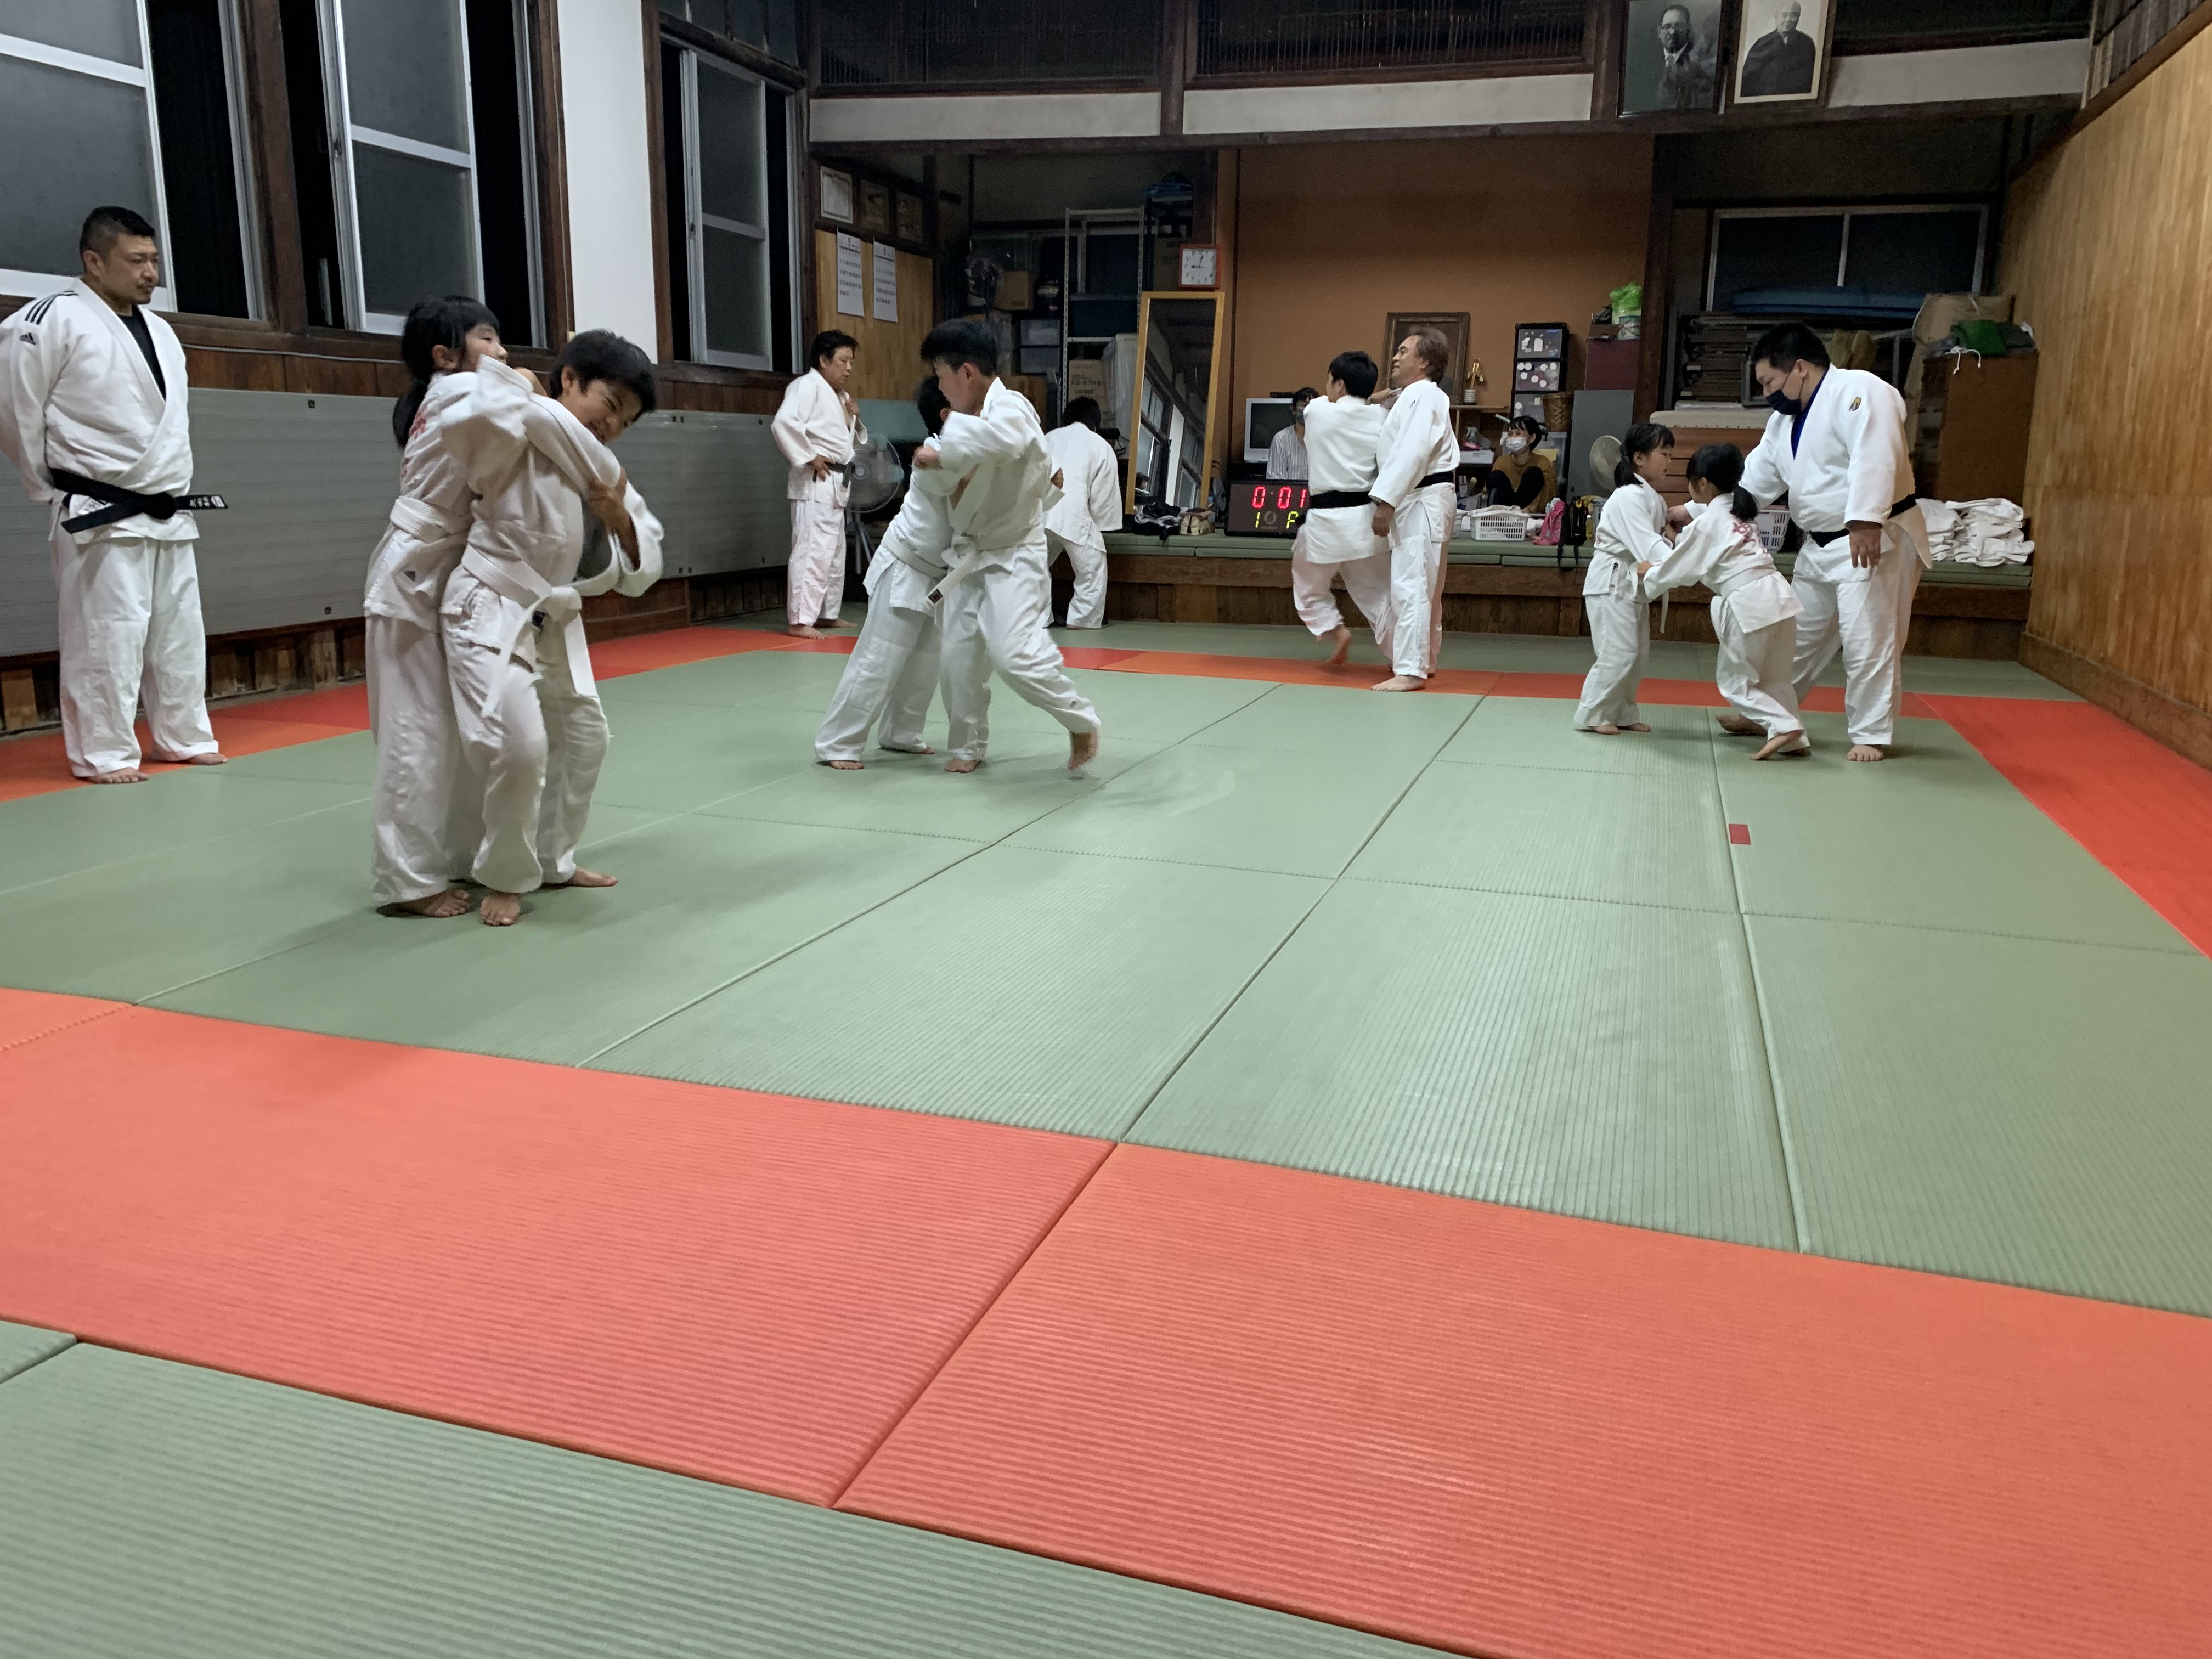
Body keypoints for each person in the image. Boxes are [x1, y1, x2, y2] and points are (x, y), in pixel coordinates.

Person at [439, 330, 663, 926]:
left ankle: (551, 859)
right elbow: (472, 416)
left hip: (553, 615)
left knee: (586, 737)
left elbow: (645, 568)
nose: (612, 426)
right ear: (569, 379)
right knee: (518, 746)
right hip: (490, 602)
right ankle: (502, 874)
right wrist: (519, 389)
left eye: (626, 421)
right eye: (609, 405)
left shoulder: (603, 472)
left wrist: (619, 520)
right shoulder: (517, 421)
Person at [0, 206, 222, 783]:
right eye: (136, 260)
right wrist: (49, 487)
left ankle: (183, 736)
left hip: (167, 507)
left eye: (155, 261)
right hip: (97, 509)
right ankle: (104, 753)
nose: (151, 273)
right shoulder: (47, 320)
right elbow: (15, 412)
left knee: (179, 636)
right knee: (106, 637)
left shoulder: (163, 332)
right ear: (94, 261)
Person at [365, 295, 505, 917]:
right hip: (412, 577)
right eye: (487, 340)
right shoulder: (456, 391)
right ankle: (409, 882)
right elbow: (528, 404)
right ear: (444, 356)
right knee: (415, 731)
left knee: (457, 727)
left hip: (444, 570)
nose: (502, 352)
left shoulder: (455, 397)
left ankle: (458, 855)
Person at [913, 319, 1101, 774]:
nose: (940, 387)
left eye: (941, 375)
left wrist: (944, 454)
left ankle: (1081, 720)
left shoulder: (1010, 408)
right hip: (969, 554)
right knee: (957, 659)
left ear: (966, 373)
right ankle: (967, 745)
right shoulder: (965, 424)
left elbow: (1009, 443)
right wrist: (936, 462)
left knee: (1013, 655)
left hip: (1014, 555)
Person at [1742, 322, 1927, 762]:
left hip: (1872, 537)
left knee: (1868, 641)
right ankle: (1771, 715)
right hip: (1820, 545)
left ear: (1799, 368)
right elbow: (1756, 481)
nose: (1767, 393)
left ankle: (1871, 734)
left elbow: (1876, 454)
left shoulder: (1859, 391)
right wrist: (1701, 512)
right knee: (1793, 638)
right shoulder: (1783, 422)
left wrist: (1865, 520)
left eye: (1769, 381)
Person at [815, 378, 960, 769]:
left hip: (937, 577)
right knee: (879, 658)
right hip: (905, 568)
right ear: (948, 414)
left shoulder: (959, 452)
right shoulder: (936, 455)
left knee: (925, 663)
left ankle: (901, 733)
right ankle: (837, 742)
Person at [1639, 444, 1808, 759]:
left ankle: (1784, 725)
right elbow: (1700, 550)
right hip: (1780, 599)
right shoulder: (1739, 512)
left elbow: (1681, 567)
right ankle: (1795, 739)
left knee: (1734, 682)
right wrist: (1677, 541)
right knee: (1775, 678)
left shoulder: (1710, 521)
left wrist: (1649, 574)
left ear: (1702, 483)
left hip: (1750, 604)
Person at [1369, 329, 1458, 692]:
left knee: (1413, 584)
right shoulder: (1414, 395)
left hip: (1421, 497)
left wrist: (1386, 502)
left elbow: (1413, 452)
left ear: (1424, 361)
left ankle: (1410, 669)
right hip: (1427, 497)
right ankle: (1424, 660)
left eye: (1403, 351)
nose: (1395, 357)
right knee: (1427, 586)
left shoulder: (1424, 395)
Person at [1290, 351, 1392, 669]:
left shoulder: (1318, 411)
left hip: (1324, 523)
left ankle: (1334, 629)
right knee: (1378, 594)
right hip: (1366, 520)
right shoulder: (1382, 419)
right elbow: (1363, 404)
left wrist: (1370, 397)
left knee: (1307, 585)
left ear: (1338, 383)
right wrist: (1372, 399)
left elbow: (1327, 404)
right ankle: (1403, 657)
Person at [1576, 421, 1672, 734]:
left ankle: (1623, 712)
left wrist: (1674, 546)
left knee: (1638, 655)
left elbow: (1657, 540)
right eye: (1664, 454)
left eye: (1670, 454)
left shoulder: (1650, 496)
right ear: (1639, 458)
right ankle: (1595, 713)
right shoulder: (1628, 496)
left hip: (1632, 583)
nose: (1669, 461)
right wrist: (1680, 563)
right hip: (1611, 581)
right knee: (1618, 652)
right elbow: (1648, 544)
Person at [771, 330, 864, 639]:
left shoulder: (841, 396)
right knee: (812, 550)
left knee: (833, 552)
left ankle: (826, 614)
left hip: (837, 481)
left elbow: (843, 440)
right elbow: (784, 423)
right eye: (843, 360)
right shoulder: (806, 386)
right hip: (816, 480)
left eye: (851, 361)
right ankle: (800, 620)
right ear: (824, 360)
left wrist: (855, 419)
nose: (848, 368)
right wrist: (809, 455)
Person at [1042, 396, 1122, 629]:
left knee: (1035, 567)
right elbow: (1103, 499)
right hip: (1073, 514)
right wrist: (1100, 523)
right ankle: (1082, 619)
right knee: (1093, 567)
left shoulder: (1047, 438)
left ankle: (1037, 618)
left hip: (1038, 513)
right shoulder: (1100, 445)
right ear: (1095, 424)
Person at [1739, 2, 1817, 97]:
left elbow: (1811, 77)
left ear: (1799, 18)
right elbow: (1748, 81)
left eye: (1793, 15)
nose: (1788, 20)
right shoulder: (1762, 44)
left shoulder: (1807, 43)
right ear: (1776, 17)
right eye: (1784, 15)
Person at [1482, 415, 1558, 512]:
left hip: (1530, 515)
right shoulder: (1501, 462)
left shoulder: (1542, 463)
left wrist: (1528, 510)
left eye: (1518, 433)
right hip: (1504, 514)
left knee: (1534, 473)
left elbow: (1549, 494)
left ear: (1532, 438)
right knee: (1496, 476)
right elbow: (1488, 494)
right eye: (1510, 434)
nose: (1513, 438)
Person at [1656, 4, 1719, 109]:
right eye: (1667, 27)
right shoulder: (1646, 63)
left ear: (1688, 30)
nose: (1673, 32)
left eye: (1679, 27)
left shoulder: (1700, 65)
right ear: (1659, 32)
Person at [1266, 387, 1317, 479]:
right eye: (1304, 406)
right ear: (1293, 410)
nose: (1309, 410)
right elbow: (1276, 480)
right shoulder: (1281, 439)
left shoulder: (1325, 440)